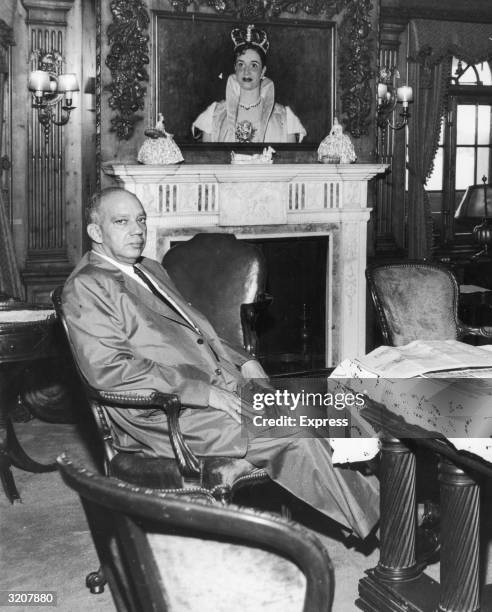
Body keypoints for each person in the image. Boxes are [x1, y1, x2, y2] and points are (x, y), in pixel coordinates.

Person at [62, 187, 378, 539]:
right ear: (95, 232)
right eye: (121, 222)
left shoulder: (148, 268)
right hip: (167, 412)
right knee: (294, 430)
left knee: (333, 402)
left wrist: (245, 362)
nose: (137, 230)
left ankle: (384, 498)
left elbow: (201, 330)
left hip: (220, 385)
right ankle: (386, 526)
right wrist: (205, 394)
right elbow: (110, 372)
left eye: (140, 220)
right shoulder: (87, 288)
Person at [192, 24, 306, 143]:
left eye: (254, 65)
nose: (246, 71)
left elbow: (289, 160)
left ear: (263, 71)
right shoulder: (215, 114)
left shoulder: (283, 117)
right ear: (235, 68)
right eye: (241, 64)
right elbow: (208, 159)